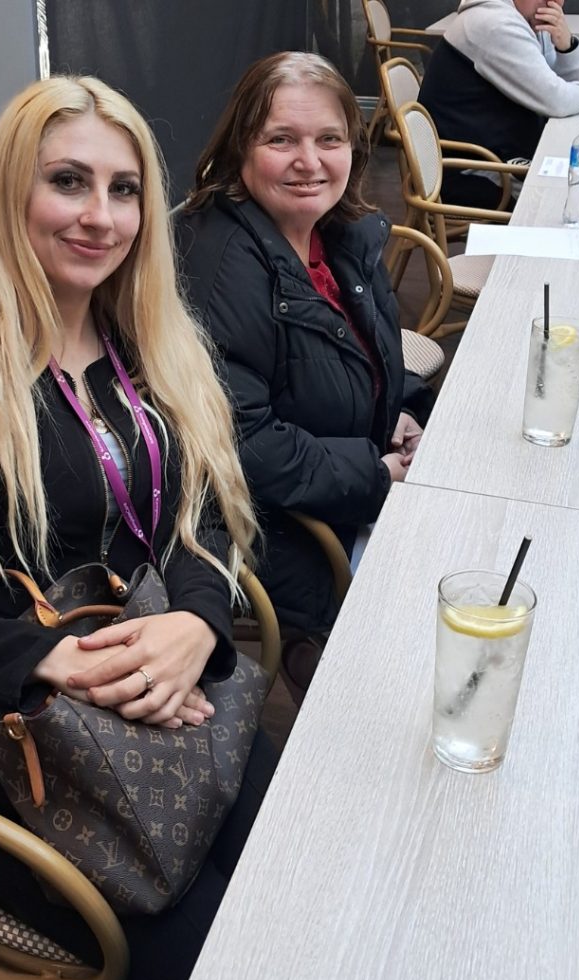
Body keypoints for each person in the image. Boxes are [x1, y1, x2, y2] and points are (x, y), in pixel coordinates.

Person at [0, 75, 276, 980]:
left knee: (306, 867)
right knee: (236, 974)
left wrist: (200, 627)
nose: (102, 216)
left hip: (149, 671)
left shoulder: (143, 339)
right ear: (10, 194)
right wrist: (60, 661)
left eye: (123, 189)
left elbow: (199, 511)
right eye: (68, 182)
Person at [176, 52, 433, 686]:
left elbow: (359, 357)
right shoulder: (218, 265)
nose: (309, 161)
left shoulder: (339, 233)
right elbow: (245, 446)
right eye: (281, 140)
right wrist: (374, 471)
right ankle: (312, 657)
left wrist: (392, 410)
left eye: (329, 140)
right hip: (272, 529)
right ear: (241, 149)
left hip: (338, 487)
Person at [419, 0, 579, 208]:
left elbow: (572, 85)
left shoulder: (529, 19)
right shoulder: (495, 24)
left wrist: (567, 46)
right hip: (468, 171)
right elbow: (557, 99)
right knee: (567, 201)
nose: (557, 2)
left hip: (497, 155)